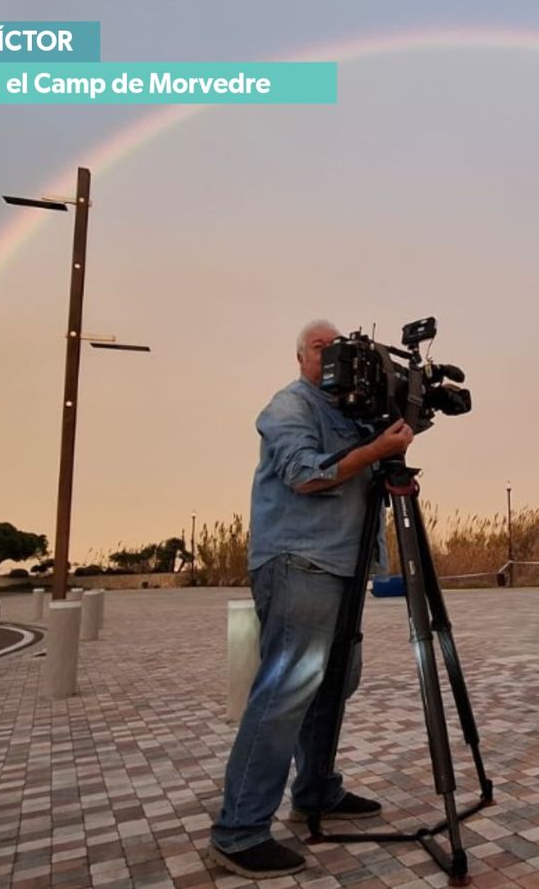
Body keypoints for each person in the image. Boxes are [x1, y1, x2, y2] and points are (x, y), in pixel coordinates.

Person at [207, 319, 415, 879]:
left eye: (342, 348)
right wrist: (375, 449)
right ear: (300, 357)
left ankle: (317, 791)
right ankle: (239, 830)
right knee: (286, 689)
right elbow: (305, 474)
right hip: (298, 562)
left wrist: (392, 438)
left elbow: (369, 463)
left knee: (335, 681)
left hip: (343, 567)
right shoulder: (288, 407)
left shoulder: (349, 413)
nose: (333, 356)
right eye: (321, 348)